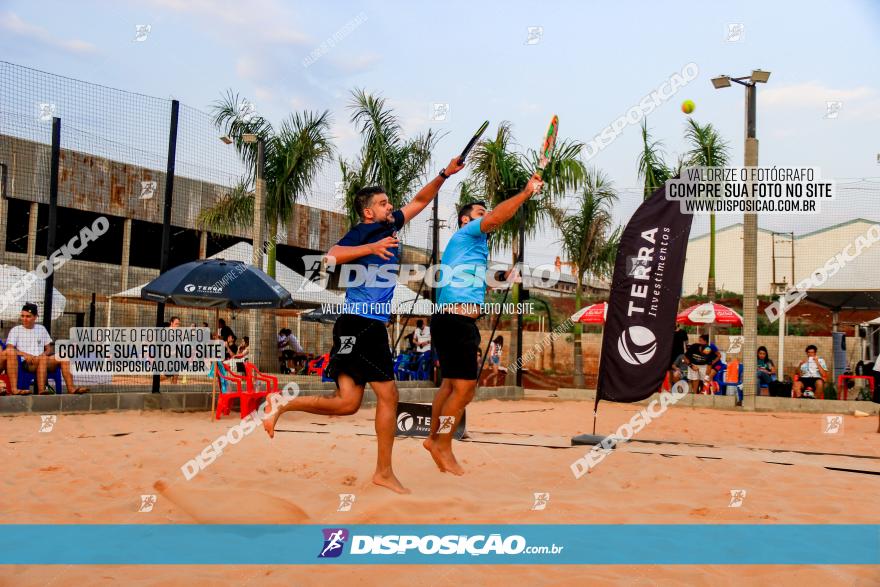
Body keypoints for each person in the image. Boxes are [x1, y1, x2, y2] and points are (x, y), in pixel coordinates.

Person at [263, 156, 465, 494]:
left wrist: (445, 174)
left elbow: (419, 201)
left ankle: (282, 403)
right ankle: (383, 472)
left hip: (355, 325)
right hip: (363, 324)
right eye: (383, 203)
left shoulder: (388, 225)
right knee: (389, 395)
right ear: (368, 211)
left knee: (347, 403)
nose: (390, 207)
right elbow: (329, 257)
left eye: (389, 202)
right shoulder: (366, 230)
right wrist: (371, 246)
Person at [426, 172, 543, 476]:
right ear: (466, 221)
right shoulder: (467, 234)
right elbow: (498, 217)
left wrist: (505, 277)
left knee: (450, 385)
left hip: (448, 320)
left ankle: (431, 439)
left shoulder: (470, 250)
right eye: (480, 213)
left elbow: (479, 280)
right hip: (455, 322)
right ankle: (443, 443)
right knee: (464, 391)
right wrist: (526, 192)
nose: (486, 216)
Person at [4, 303, 87, 395]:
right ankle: (41, 390)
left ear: (35, 317)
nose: (24, 319)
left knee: (64, 356)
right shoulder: (16, 330)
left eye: (28, 316)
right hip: (27, 362)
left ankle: (71, 389)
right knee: (42, 359)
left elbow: (49, 349)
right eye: (22, 316)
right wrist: (25, 355)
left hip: (43, 359)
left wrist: (42, 355)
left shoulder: (41, 329)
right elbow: (10, 349)